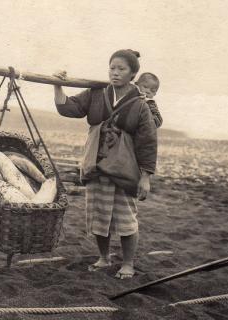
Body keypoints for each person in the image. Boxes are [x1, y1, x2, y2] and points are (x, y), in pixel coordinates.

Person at [53, 49, 157, 279]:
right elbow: (69, 107)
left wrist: (146, 177)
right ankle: (104, 257)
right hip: (96, 164)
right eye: (112, 68)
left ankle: (128, 264)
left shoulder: (140, 104)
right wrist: (57, 85)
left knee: (126, 217)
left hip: (124, 167)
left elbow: (148, 141)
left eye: (122, 69)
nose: (115, 73)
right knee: (99, 215)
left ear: (133, 74)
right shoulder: (97, 93)